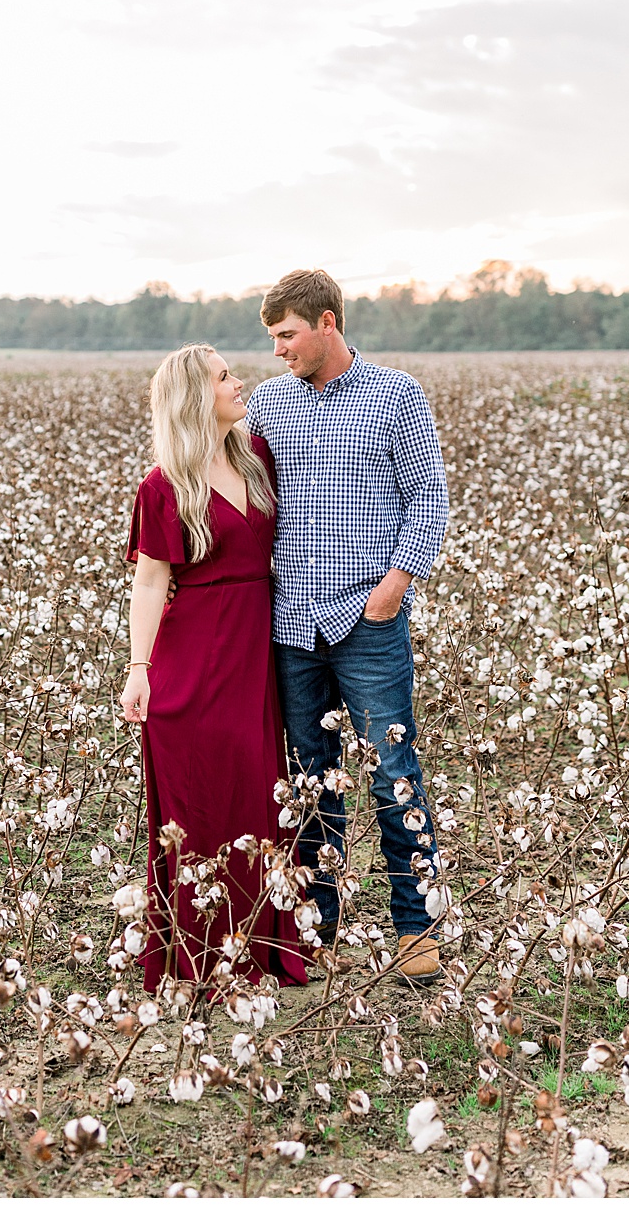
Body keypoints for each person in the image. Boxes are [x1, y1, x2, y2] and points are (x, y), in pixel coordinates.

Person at [243, 269, 450, 986]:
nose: (277, 352)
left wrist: (393, 589)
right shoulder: (268, 405)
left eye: (286, 336)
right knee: (309, 781)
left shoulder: (396, 396)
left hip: (368, 619)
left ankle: (416, 927)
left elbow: (429, 499)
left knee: (393, 775)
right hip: (292, 621)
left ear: (326, 323)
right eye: (273, 339)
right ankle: (317, 926)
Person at [120, 344, 309, 992]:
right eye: (225, 377)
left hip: (255, 650)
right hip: (193, 658)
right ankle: (198, 953)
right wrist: (139, 668)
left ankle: (260, 946)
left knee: (260, 791)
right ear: (197, 398)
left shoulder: (256, 459)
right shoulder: (163, 485)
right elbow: (149, 584)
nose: (239, 382)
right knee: (201, 805)